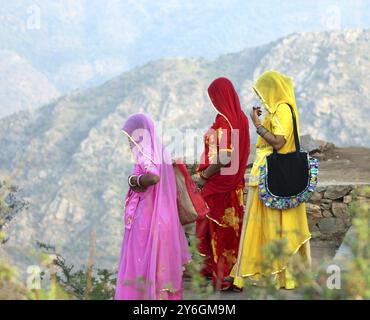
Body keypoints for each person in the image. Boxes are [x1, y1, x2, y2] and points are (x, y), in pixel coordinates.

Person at [230, 70, 311, 289]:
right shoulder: (277, 110)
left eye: (264, 92)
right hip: (271, 172)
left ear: (273, 90)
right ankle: (268, 270)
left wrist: (257, 124)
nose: (262, 97)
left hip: (273, 175)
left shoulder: (282, 109)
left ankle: (273, 272)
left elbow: (278, 143)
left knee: (271, 223)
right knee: (267, 224)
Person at [115, 113, 191, 300]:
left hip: (147, 219)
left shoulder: (145, 153)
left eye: (130, 137)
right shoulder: (159, 151)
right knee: (159, 266)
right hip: (163, 217)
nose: (129, 142)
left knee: (143, 261)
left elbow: (154, 177)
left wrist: (134, 179)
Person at [195, 77, 250, 291]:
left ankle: (223, 275)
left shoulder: (224, 121)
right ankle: (234, 274)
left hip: (219, 183)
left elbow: (225, 156)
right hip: (234, 183)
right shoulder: (240, 118)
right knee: (231, 228)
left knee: (218, 228)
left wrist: (205, 176)